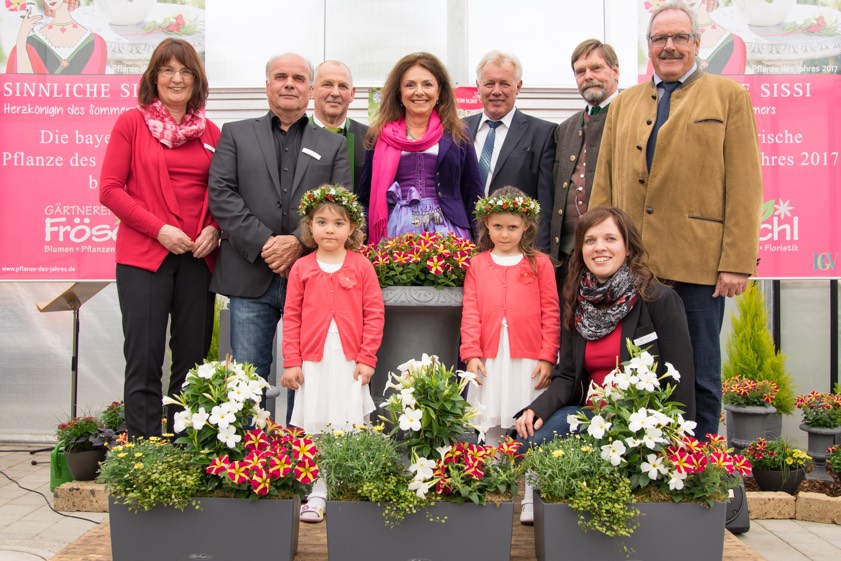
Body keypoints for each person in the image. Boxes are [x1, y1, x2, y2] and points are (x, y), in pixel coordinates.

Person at [589, 1, 762, 441]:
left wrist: (736, 261)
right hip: (634, 268)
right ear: (648, 46)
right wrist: (599, 250)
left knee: (699, 369)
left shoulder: (729, 97)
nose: (669, 46)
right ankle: (642, 457)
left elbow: (745, 185)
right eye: (660, 38)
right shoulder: (624, 104)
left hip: (698, 266)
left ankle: (700, 458)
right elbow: (603, 187)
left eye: (680, 37)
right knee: (635, 368)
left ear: (697, 44)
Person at [514, 206, 696, 523]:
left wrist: (679, 444)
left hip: (640, 424)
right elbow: (567, 376)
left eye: (610, 238)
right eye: (590, 240)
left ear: (628, 247)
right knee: (527, 439)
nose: (600, 248)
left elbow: (680, 378)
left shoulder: (657, 298)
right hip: (591, 418)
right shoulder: (577, 301)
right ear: (580, 249)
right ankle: (560, 506)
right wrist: (537, 409)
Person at [208, 53, 351, 424]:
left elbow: (339, 203)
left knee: (305, 375)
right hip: (249, 272)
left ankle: (298, 448)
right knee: (248, 378)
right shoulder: (235, 133)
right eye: (281, 76)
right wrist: (267, 242)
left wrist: (297, 243)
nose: (290, 83)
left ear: (310, 89)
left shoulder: (333, 144)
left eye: (299, 78)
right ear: (267, 85)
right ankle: (251, 452)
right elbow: (222, 195)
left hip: (311, 276)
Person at [99, 38, 219, 439]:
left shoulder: (212, 133)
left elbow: (224, 193)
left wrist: (214, 228)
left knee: (191, 361)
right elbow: (110, 190)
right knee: (144, 358)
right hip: (144, 258)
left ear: (197, 80)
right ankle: (144, 451)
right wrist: (159, 230)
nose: (176, 78)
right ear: (154, 77)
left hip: (197, 260)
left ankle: (184, 448)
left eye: (185, 71)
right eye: (167, 70)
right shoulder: (131, 124)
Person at [280, 185, 385, 523]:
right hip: (313, 360)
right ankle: (317, 490)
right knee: (315, 421)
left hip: (349, 360)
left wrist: (367, 358)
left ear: (351, 227)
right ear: (309, 226)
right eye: (321, 222)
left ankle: (346, 488)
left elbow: (374, 313)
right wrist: (291, 362)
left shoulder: (362, 266)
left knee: (347, 419)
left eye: (338, 223)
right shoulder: (301, 268)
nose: (329, 229)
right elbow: (291, 316)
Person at [460, 187, 560, 446]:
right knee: (491, 418)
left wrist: (548, 356)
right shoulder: (477, 264)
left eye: (512, 227)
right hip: (489, 356)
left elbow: (551, 313)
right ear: (487, 223)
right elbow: (470, 312)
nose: (504, 234)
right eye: (498, 226)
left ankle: (525, 468)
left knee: (524, 417)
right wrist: (471, 354)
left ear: (525, 226)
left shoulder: (540, 263)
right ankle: (494, 466)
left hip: (528, 357)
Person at [358, 52, 483, 243]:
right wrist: (359, 236)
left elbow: (473, 193)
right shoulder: (379, 136)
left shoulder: (458, 134)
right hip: (394, 233)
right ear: (399, 92)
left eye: (427, 84)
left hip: (450, 233)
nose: (419, 92)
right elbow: (365, 197)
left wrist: (483, 241)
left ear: (439, 91)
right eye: (410, 85)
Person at [463, 51, 556, 250]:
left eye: (504, 83)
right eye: (489, 83)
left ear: (518, 87)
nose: (496, 91)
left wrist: (539, 256)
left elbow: (546, 206)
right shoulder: (457, 130)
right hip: (464, 246)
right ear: (478, 86)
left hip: (517, 250)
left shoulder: (543, 134)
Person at [548, 39, 620, 297]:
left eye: (596, 68)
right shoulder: (565, 128)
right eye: (580, 71)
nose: (588, 76)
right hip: (567, 259)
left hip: (613, 258)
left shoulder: (633, 118)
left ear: (615, 71)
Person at [311, 60, 369, 192]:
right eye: (327, 84)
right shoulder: (296, 135)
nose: (335, 93)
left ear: (352, 94)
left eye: (343, 86)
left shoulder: (369, 138)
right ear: (312, 90)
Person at [7, 1, 107, 74]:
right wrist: (21, 38)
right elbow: (24, 86)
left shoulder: (96, 42)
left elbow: (94, 87)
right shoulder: (29, 43)